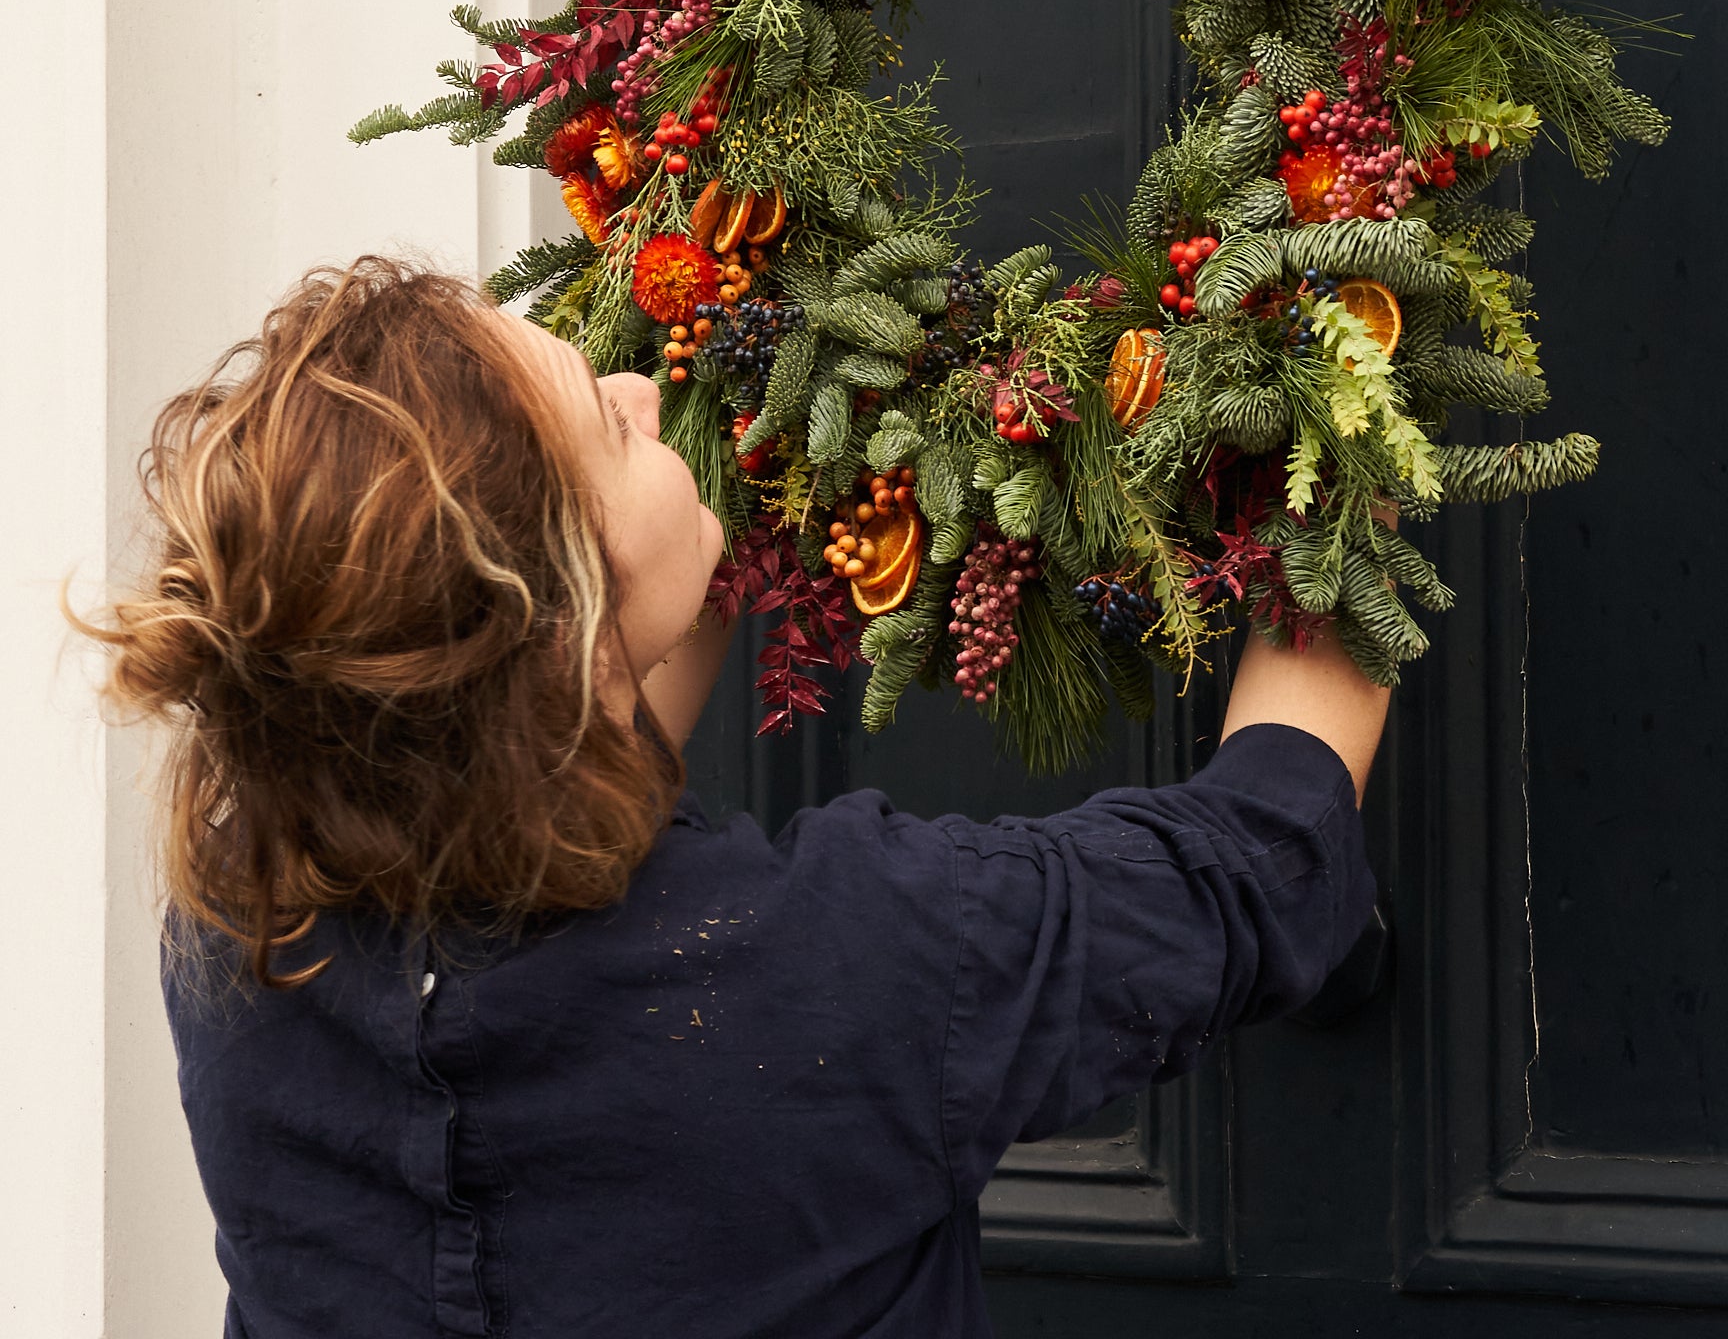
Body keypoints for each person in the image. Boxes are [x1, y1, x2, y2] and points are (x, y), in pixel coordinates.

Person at [87, 257, 1388, 1339]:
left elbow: (523, 768)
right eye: (608, 425)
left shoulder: (240, 935)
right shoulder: (850, 960)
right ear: (573, 634)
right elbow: (1255, 862)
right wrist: (1353, 450)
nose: (645, 387)